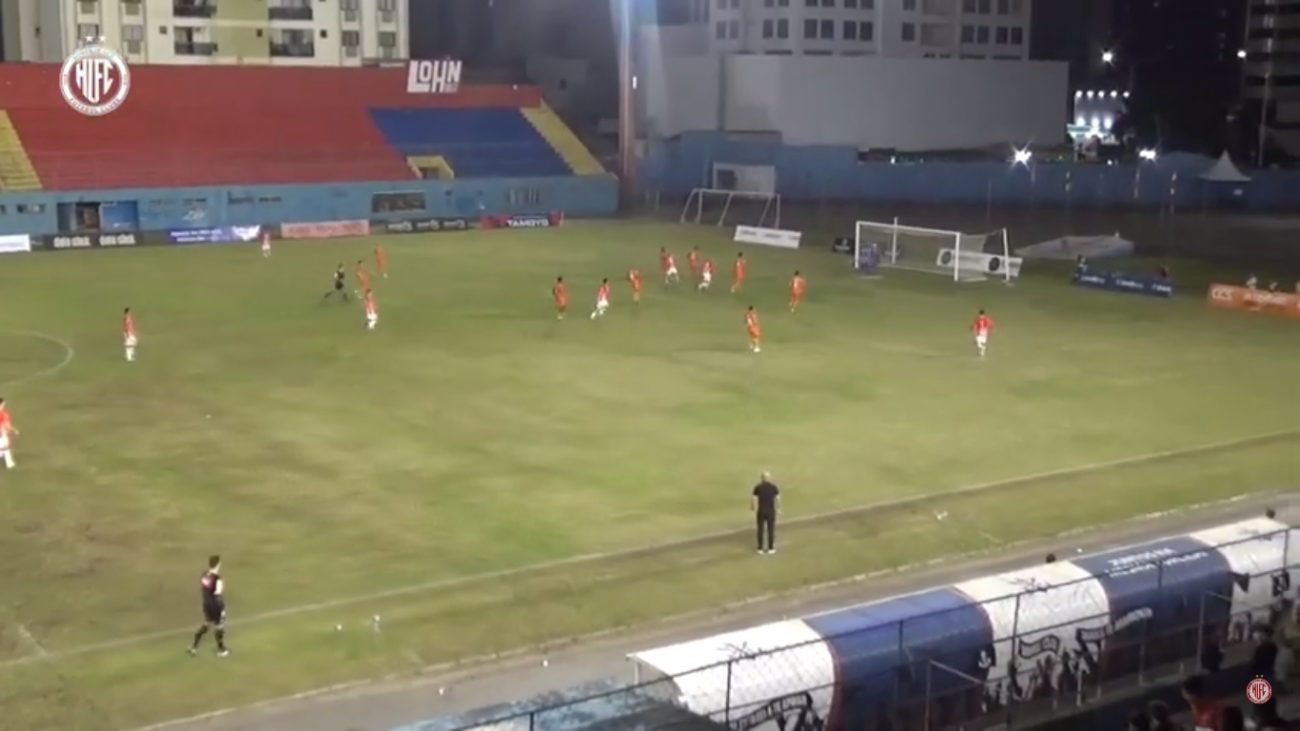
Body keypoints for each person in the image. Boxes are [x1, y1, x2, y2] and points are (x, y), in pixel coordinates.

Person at [189, 555, 230, 657]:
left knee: (207, 625)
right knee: (219, 626)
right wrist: (222, 609)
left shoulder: (204, 575)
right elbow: (218, 596)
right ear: (218, 564)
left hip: (206, 604)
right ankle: (222, 650)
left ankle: (194, 647)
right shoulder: (218, 579)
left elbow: (205, 590)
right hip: (215, 606)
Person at [751, 472, 780, 555]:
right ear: (769, 478)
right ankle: (771, 548)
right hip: (771, 511)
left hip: (761, 511)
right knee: (771, 529)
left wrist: (753, 507)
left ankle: (760, 548)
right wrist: (779, 508)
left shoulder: (758, 487)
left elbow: (754, 498)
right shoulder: (773, 487)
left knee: (760, 529)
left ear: (762, 478)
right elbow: (778, 498)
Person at [0, 396, 18, 470]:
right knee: (6, 447)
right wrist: (14, 430)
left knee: (3, 448)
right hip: (1, 434)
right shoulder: (3, 414)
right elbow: (7, 425)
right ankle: (9, 463)